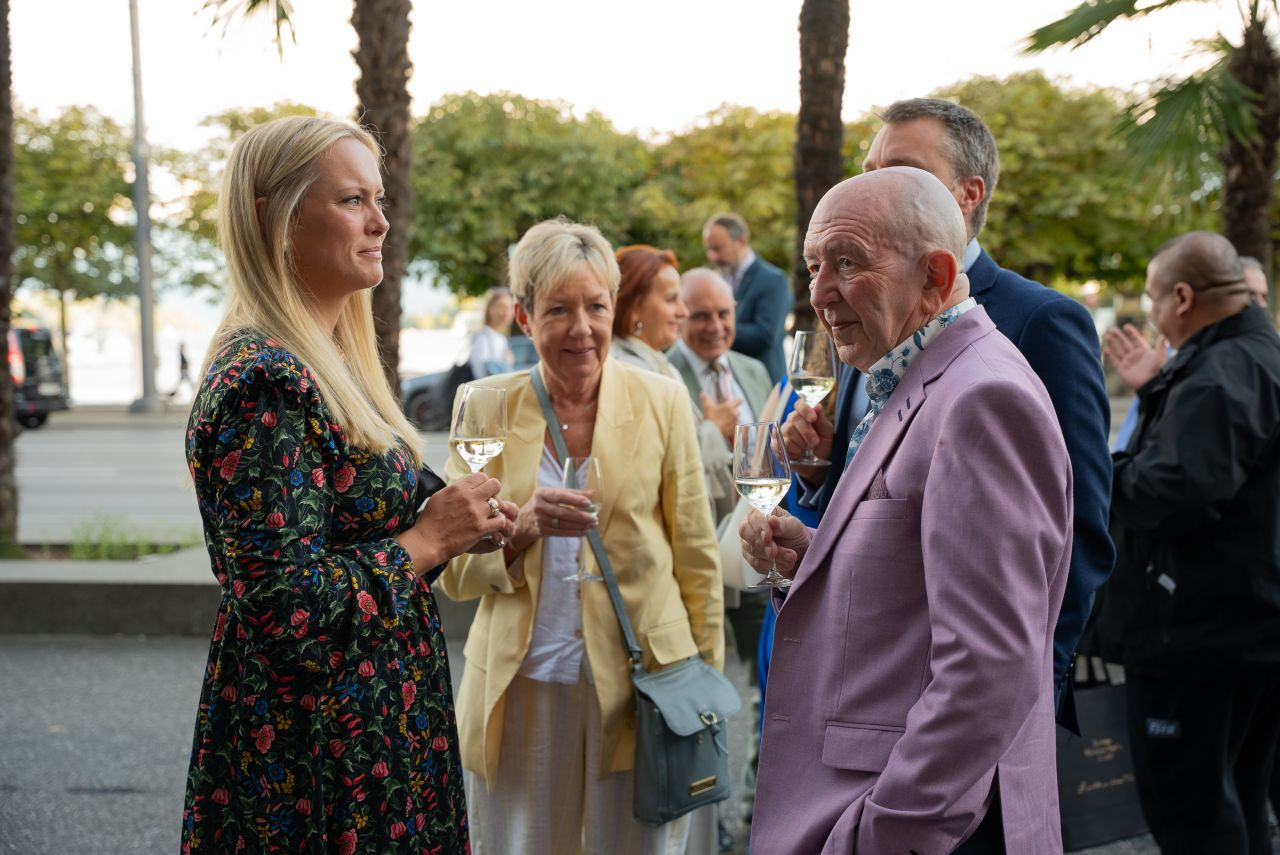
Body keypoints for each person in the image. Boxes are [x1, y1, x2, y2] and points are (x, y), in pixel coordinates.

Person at [180, 117, 517, 854]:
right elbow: (286, 609)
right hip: (318, 761)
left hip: (371, 735)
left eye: (378, 198)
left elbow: (360, 522)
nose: (380, 221)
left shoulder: (326, 360)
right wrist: (429, 540)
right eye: (352, 200)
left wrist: (464, 521)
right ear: (276, 217)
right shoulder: (266, 382)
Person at [742, 166, 1072, 854]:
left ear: (935, 276)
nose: (819, 293)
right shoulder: (912, 373)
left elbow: (988, 669)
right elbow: (922, 581)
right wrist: (813, 553)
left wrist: (881, 831)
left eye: (847, 263)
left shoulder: (980, 398)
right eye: (813, 266)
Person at [782, 98, 1113, 733]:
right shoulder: (862, 301)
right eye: (868, 168)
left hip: (965, 721)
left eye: (902, 168)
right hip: (863, 700)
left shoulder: (1039, 320)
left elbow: (1078, 531)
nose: (873, 182)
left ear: (968, 194)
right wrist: (820, 476)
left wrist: (1030, 704)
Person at [439, 219, 724, 855]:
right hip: (524, 684)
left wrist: (703, 688)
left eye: (596, 306)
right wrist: (520, 529)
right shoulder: (485, 404)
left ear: (614, 309)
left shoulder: (662, 400)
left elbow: (697, 558)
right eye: (558, 309)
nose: (581, 328)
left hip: (645, 684)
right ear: (523, 316)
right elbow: (452, 569)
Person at [1100, 232, 1280, 855]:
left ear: (1182, 296)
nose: (1151, 316)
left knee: (1192, 814)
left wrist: (1099, 472)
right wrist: (1156, 391)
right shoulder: (1260, 353)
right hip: (1252, 626)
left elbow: (1175, 491)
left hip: (1200, 635)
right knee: (1245, 797)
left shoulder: (1219, 373)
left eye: (1153, 300)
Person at [702, 213, 790, 382]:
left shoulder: (773, 280)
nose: (713, 257)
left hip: (763, 384)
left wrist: (714, 330)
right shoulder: (717, 278)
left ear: (741, 242)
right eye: (709, 249)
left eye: (718, 249)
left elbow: (765, 335)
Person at [609, 244, 689, 381]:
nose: (684, 312)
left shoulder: (655, 365)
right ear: (635, 308)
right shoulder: (633, 374)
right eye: (671, 299)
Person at [469, 286, 516, 378]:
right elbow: (479, 378)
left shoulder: (501, 338)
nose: (507, 312)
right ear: (490, 309)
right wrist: (507, 362)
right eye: (502, 307)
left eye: (510, 307)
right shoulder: (482, 338)